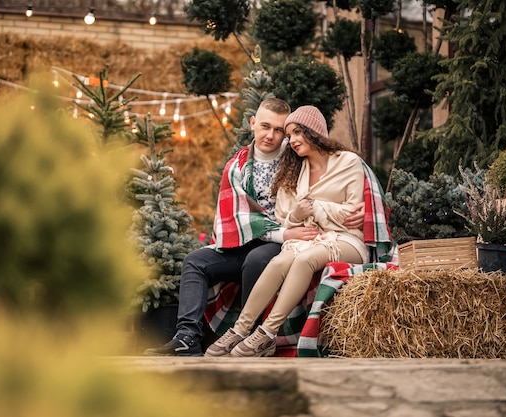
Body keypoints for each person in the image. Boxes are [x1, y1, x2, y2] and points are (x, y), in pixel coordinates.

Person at [143, 99, 363, 356]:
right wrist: (286, 230)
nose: (272, 135)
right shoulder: (237, 166)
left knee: (258, 260)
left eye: (280, 130)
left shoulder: (293, 158)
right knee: (195, 261)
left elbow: (326, 186)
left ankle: (251, 336)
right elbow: (237, 215)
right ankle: (187, 337)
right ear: (253, 124)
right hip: (248, 238)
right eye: (265, 126)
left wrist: (357, 213)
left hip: (281, 243)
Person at [205, 105, 370, 357]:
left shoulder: (347, 162)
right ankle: (240, 330)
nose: (291, 140)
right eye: (290, 134)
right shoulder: (297, 170)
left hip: (347, 240)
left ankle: (267, 333)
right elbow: (286, 218)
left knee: (305, 259)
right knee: (278, 262)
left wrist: (316, 207)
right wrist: (299, 215)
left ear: (314, 132)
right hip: (312, 238)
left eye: (297, 133)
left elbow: (353, 213)